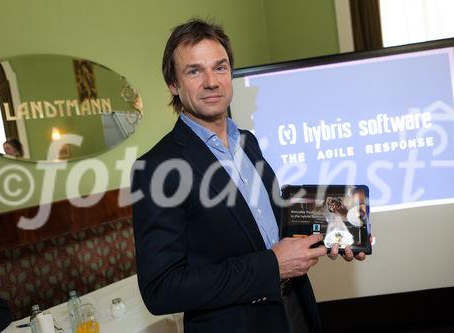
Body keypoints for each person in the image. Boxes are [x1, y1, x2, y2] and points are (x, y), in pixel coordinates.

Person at [132, 19, 365, 333]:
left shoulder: (247, 142)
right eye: (194, 71)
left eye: (220, 67)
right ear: (173, 84)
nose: (211, 81)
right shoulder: (158, 168)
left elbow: (273, 223)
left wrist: (340, 229)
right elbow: (162, 289)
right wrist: (272, 266)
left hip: (295, 308)